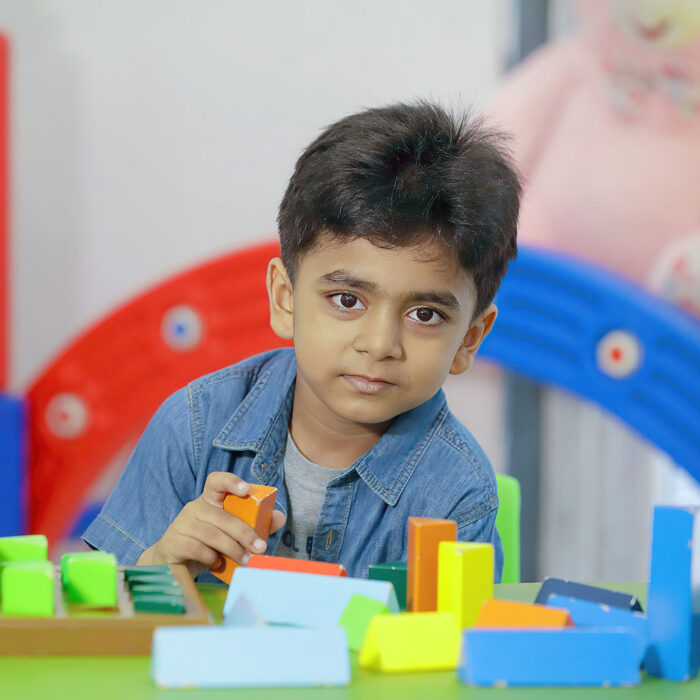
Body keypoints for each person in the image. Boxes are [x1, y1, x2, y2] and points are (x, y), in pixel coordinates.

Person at [83, 101, 521, 582]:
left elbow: (451, 632)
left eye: (425, 314)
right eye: (347, 300)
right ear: (285, 298)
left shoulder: (458, 495)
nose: (379, 345)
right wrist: (157, 566)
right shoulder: (192, 426)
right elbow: (103, 607)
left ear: (469, 340)